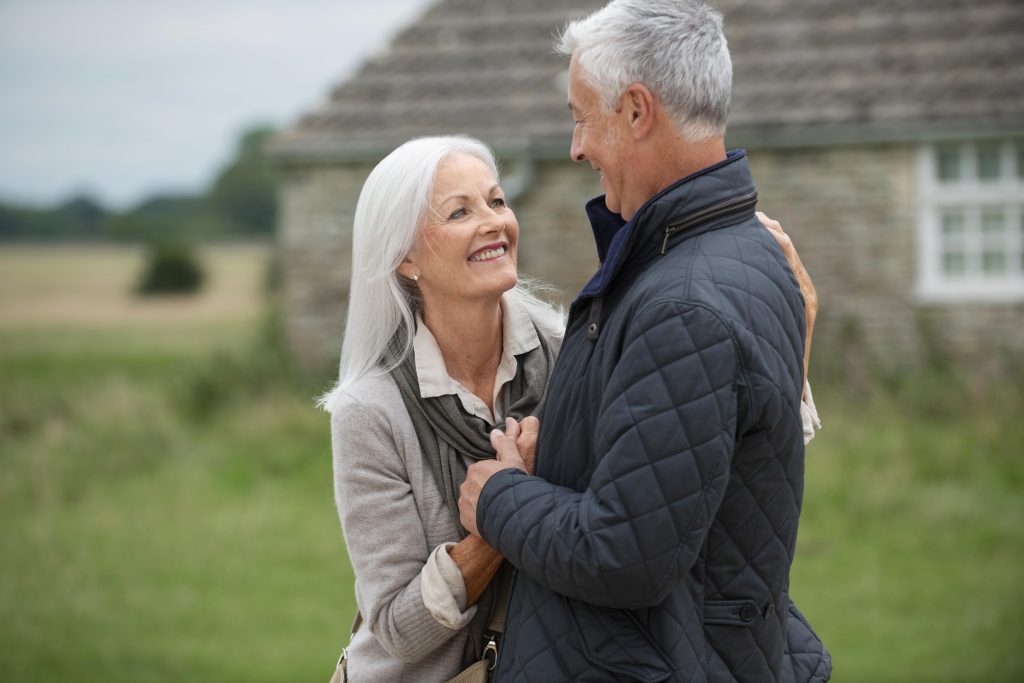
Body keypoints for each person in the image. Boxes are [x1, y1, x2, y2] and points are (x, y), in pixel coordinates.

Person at [324, 132, 820, 680]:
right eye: (459, 212)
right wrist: (499, 518)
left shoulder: (571, 350)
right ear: (404, 257)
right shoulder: (370, 412)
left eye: (497, 200)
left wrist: (794, 337)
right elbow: (399, 629)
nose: (493, 222)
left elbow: (695, 461)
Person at [457, 1, 832, 681]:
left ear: (636, 110)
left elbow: (625, 552)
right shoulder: (731, 252)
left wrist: (499, 496)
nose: (575, 148)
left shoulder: (683, 301)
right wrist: (560, 455)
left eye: (581, 117)